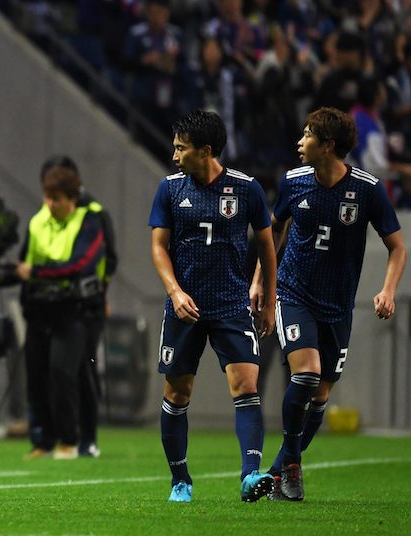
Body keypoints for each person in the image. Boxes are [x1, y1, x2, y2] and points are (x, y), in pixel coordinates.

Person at [250, 107, 406, 501]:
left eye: (307, 135)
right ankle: (291, 469)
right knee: (305, 376)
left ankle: (278, 472)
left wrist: (388, 290)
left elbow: (397, 247)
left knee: (318, 401)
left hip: (338, 306)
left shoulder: (368, 190)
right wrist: (259, 281)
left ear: (328, 145)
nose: (299, 142)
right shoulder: (293, 181)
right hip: (294, 293)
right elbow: (272, 233)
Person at [148, 109, 277, 503]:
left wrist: (268, 298)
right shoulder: (170, 189)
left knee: (247, 387)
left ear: (205, 151)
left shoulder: (246, 189)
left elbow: (267, 246)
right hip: (184, 309)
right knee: (177, 394)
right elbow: (158, 247)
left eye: (181, 148)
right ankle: (180, 481)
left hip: (231, 306)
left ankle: (250, 475)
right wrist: (175, 292)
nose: (174, 155)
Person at [13, 163, 108, 460]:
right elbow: (24, 263)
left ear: (72, 199)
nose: (50, 204)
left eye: (56, 199)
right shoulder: (38, 221)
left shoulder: (90, 220)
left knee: (66, 373)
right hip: (40, 309)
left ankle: (75, 439)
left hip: (76, 310)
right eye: (47, 197)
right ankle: (43, 440)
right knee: (37, 375)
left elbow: (79, 265)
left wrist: (38, 272)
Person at [33, 154, 118, 458]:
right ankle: (64, 435)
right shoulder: (50, 214)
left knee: (83, 369)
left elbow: (108, 259)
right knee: (64, 369)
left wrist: (102, 293)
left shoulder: (93, 213)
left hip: (88, 304)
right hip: (59, 303)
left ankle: (87, 437)